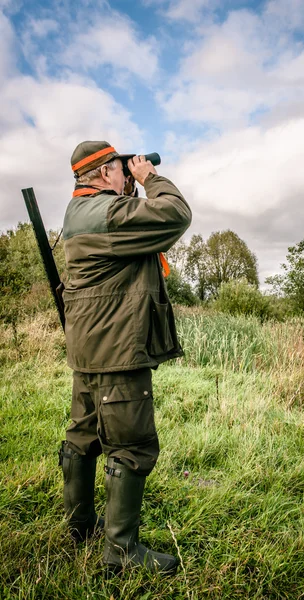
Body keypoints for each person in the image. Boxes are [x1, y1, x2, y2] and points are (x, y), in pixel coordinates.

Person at [58, 140, 192, 577]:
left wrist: (129, 184)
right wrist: (151, 179)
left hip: (89, 350)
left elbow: (124, 230)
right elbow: (174, 215)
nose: (126, 173)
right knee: (131, 446)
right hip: (117, 350)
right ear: (101, 174)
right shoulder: (109, 214)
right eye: (119, 168)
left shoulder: (80, 212)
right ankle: (121, 552)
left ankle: (78, 526)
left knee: (83, 437)